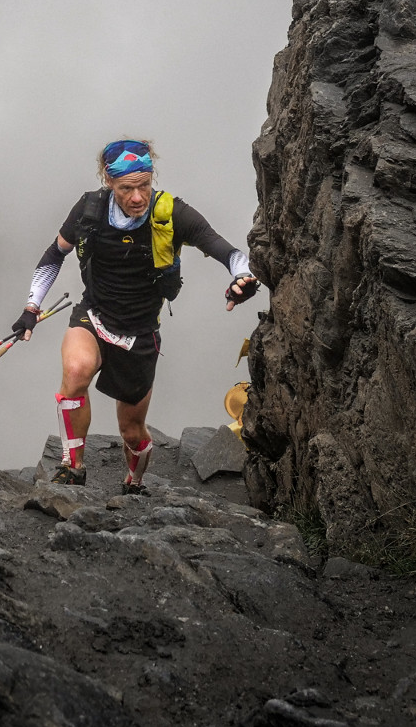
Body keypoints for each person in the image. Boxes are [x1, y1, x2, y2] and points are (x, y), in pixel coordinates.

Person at [13, 138, 259, 492]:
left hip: (140, 331)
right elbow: (55, 255)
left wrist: (243, 277)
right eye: (127, 188)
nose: (138, 197)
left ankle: (134, 483)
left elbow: (225, 249)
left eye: (144, 185)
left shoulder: (171, 212)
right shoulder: (90, 209)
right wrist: (31, 308)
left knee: (131, 430)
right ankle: (72, 467)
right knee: (75, 371)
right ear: (109, 182)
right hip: (94, 315)